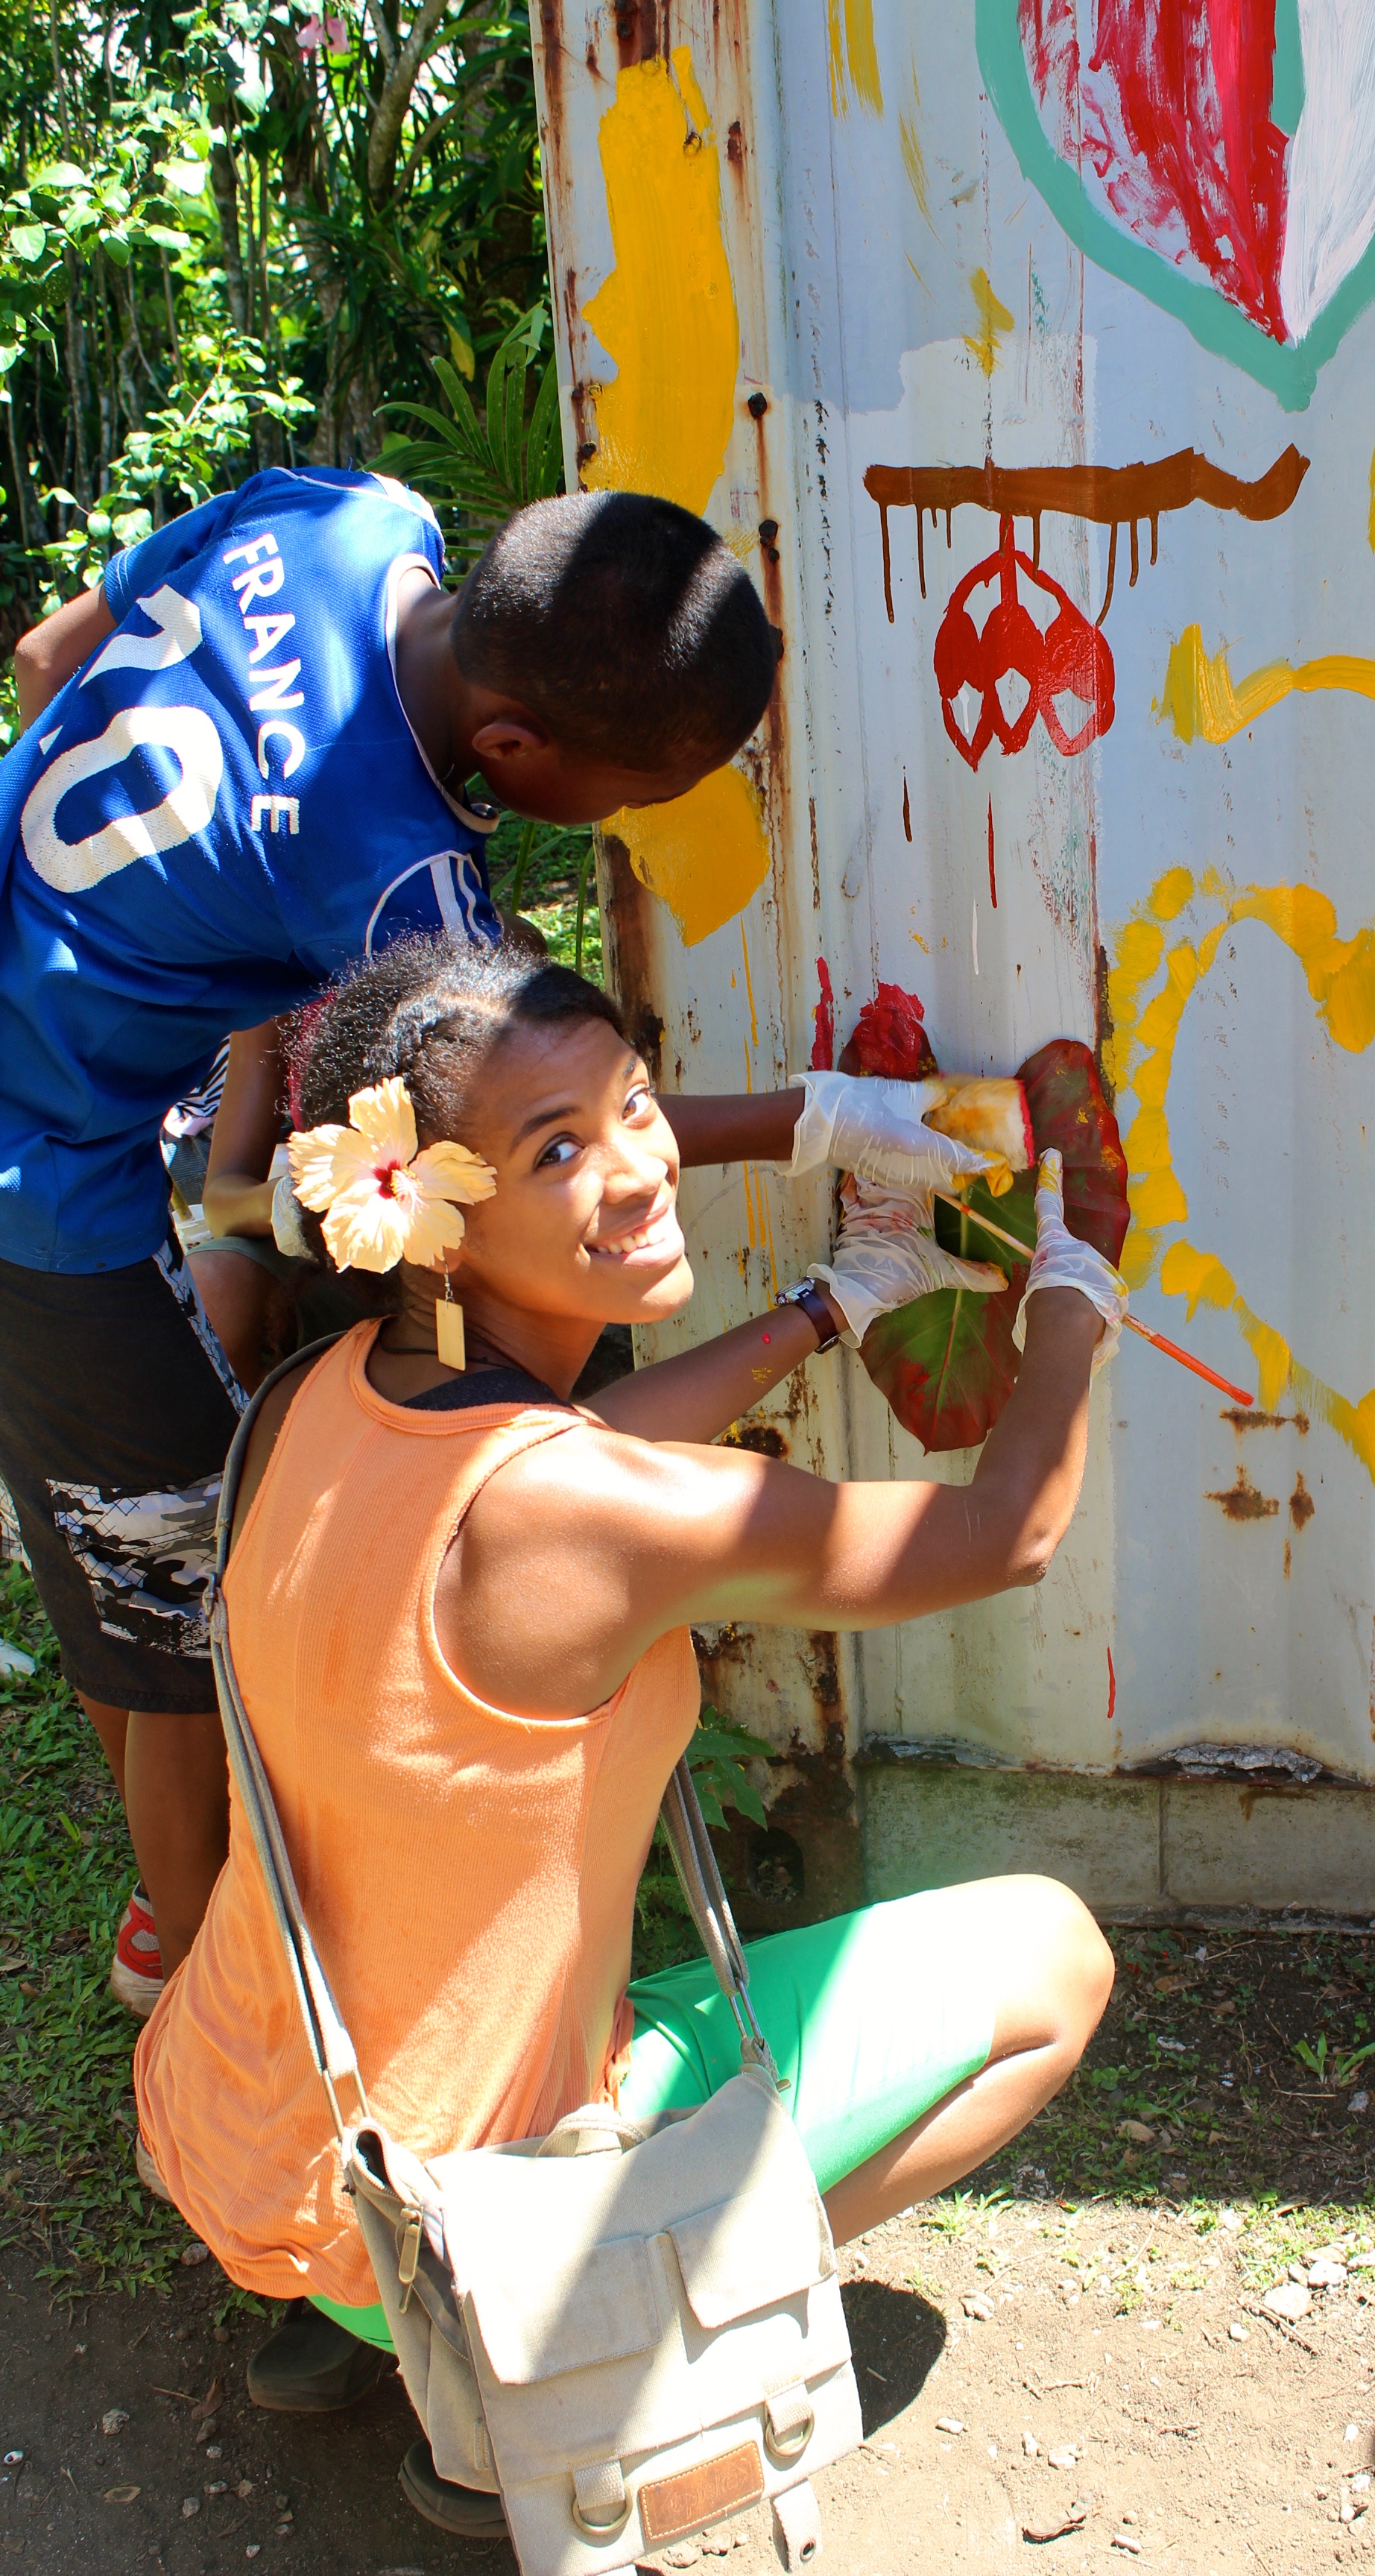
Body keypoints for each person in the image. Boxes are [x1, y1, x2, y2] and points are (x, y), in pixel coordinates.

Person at [132, 935, 1123, 2533]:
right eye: (559, 1148)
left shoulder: (323, 1398)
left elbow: (567, 1453)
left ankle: (364, 2339)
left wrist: (834, 1299)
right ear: (437, 1217)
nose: (645, 1166)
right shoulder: (591, 1518)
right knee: (1052, 1960)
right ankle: (573, 2369)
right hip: (468, 2227)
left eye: (639, 1106)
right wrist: (1077, 1271)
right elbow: (996, 1535)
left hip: (253, 2140)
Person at [0, 475, 994, 2015]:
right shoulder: (399, 880)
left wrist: (194, 929)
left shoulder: (342, 517)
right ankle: (193, 1975)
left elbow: (54, 656)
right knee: (176, 1593)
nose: (615, 826)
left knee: (152, 1506)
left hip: (59, 1073)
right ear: (514, 751)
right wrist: (830, 1116)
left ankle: (157, 1746)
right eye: (623, 796)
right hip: (34, 1173)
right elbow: (546, 1142)